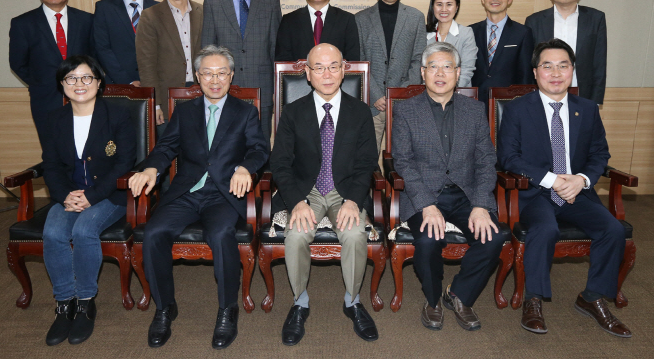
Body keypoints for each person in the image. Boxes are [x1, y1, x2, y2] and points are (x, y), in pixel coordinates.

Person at [129, 46, 268, 349]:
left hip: (223, 194)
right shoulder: (186, 111)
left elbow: (259, 149)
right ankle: (165, 308)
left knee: (220, 233)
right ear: (197, 76)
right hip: (187, 192)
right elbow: (166, 147)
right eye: (207, 73)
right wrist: (152, 168)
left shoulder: (245, 112)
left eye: (221, 73)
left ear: (231, 76)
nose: (214, 80)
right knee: (153, 232)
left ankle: (227, 309)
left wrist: (245, 168)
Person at [497, 38, 630, 337]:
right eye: (547, 66)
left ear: (572, 70)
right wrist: (553, 179)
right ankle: (534, 298)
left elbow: (599, 155)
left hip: (577, 192)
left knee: (614, 229)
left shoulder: (587, 109)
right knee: (545, 229)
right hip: (535, 193)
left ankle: (592, 296)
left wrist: (581, 179)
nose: (555, 73)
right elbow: (508, 157)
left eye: (563, 66)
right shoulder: (518, 109)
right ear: (535, 72)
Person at [392, 41, 505, 331]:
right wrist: (426, 205)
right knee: (428, 240)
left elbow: (485, 160)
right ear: (422, 72)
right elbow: (403, 163)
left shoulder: (474, 110)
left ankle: (458, 294)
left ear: (457, 72)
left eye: (447, 67)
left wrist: (481, 204)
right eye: (433, 67)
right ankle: (432, 300)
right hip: (425, 195)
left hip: (466, 193)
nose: (440, 73)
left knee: (492, 238)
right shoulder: (406, 111)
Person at [271, 44, 378, 345]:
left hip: (347, 192)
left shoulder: (360, 112)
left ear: (345, 69)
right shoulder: (293, 112)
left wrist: (354, 200)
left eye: (334, 66)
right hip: (308, 190)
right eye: (319, 67)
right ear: (307, 73)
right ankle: (299, 302)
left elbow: (367, 161)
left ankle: (353, 301)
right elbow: (279, 163)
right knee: (295, 234)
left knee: (355, 234)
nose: (327, 74)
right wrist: (296, 202)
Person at [42, 55, 136, 346]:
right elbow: (52, 165)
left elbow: (125, 162)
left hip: (108, 194)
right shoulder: (54, 119)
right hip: (69, 194)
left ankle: (84, 302)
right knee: (53, 232)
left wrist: (92, 196)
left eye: (86, 78)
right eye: (71, 78)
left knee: (84, 230)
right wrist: (63, 196)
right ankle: (64, 304)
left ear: (98, 82)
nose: (79, 84)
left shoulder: (119, 114)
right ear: (62, 85)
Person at [201, 0, 281, 144]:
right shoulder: (212, 1)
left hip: (262, 88)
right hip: (225, 88)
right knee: (226, 146)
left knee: (260, 146)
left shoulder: (271, 0)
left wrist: (276, 90)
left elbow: (275, 49)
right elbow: (207, 50)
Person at [9, 0, 94, 147]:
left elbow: (95, 58)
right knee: (53, 153)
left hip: (85, 98)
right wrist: (44, 82)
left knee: (89, 150)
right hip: (46, 100)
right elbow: (18, 63)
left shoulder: (87, 20)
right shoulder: (22, 24)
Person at [355, 0, 424, 150]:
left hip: (404, 103)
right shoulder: (360, 19)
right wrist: (376, 94)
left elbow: (418, 59)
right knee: (367, 162)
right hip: (371, 105)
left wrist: (399, 94)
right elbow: (358, 61)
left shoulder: (415, 17)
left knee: (403, 162)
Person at [136, 0, 203, 135]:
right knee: (170, 155)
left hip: (201, 94)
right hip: (167, 98)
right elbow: (147, 65)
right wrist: (155, 103)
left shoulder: (203, 12)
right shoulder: (150, 16)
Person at [525, 0, 607, 104]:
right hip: (543, 94)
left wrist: (595, 101)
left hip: (582, 94)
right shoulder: (534, 21)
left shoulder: (595, 18)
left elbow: (599, 63)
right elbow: (530, 64)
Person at [93, 0, 159, 85]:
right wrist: (126, 82)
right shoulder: (104, 8)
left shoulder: (159, 9)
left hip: (156, 85)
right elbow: (102, 49)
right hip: (119, 86)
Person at [275, 0, 359, 62]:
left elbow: (352, 59)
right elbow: (283, 60)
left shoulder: (346, 19)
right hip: (300, 77)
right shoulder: (289, 21)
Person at [469, 0, 534, 103]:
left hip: (508, 103)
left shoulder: (522, 33)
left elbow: (525, 76)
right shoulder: (470, 32)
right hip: (475, 103)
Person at [426, 0, 477, 87]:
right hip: (429, 95)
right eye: (439, 4)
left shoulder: (466, 33)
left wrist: (448, 93)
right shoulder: (424, 33)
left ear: (456, 7)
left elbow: (467, 70)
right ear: (433, 7)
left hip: (458, 93)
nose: (444, 9)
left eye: (449, 4)